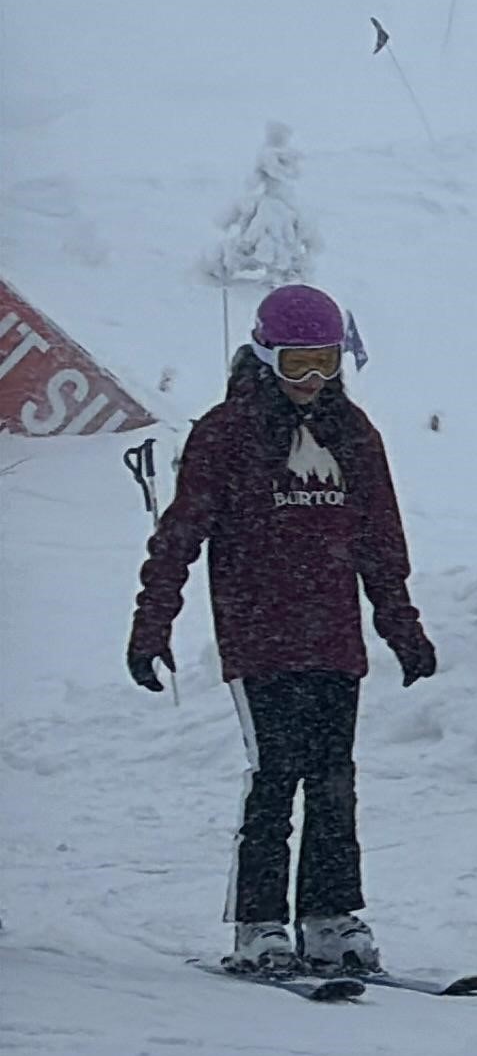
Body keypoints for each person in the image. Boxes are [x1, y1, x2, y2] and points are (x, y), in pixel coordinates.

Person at [129, 283, 438, 979]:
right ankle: (259, 924)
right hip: (259, 637)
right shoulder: (226, 433)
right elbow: (180, 537)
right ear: (266, 357)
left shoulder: (353, 435)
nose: (313, 381)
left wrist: (401, 624)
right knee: (274, 777)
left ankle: (329, 920)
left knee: (333, 780)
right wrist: (153, 623)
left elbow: (380, 543)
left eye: (325, 363)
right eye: (297, 365)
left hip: (333, 639)